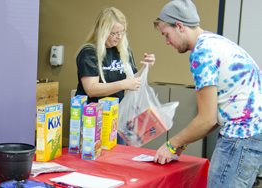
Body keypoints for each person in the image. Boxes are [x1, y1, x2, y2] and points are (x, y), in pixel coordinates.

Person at [152, 0, 262, 187]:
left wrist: (170, 144)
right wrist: (181, 144)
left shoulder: (202, 53)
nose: (167, 42)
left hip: (239, 138)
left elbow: (206, 119)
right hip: (253, 136)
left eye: (167, 34)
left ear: (179, 26)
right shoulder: (217, 42)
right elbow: (217, 116)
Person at [75, 7, 155, 145]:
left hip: (115, 115)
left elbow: (131, 79)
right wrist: (123, 84)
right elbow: (91, 89)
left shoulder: (123, 51)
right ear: (103, 32)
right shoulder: (89, 53)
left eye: (122, 32)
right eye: (114, 33)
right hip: (92, 117)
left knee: (117, 156)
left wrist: (145, 67)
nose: (119, 37)